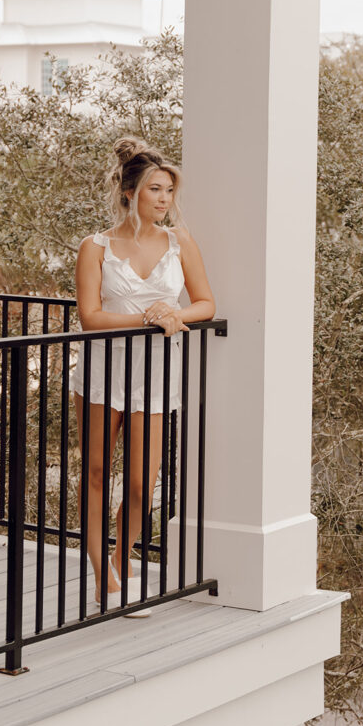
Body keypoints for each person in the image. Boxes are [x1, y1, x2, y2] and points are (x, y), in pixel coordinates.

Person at [71, 137, 215, 615]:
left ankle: (120, 557)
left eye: (169, 191)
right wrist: (152, 318)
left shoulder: (180, 243)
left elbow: (206, 304)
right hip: (101, 370)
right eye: (155, 189)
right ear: (130, 191)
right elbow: (90, 317)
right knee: (94, 473)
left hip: (155, 373)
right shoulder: (95, 247)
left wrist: (178, 315)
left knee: (139, 485)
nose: (164, 199)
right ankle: (100, 577)